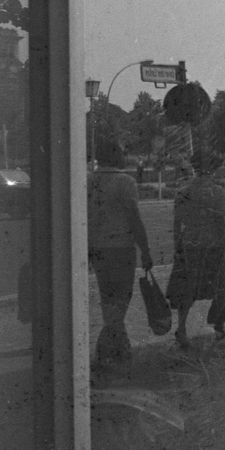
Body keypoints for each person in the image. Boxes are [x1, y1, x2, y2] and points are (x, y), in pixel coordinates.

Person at [88, 139, 153, 367]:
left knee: (108, 298)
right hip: (121, 248)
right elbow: (134, 218)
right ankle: (109, 348)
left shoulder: (88, 181)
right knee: (122, 297)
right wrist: (145, 249)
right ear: (115, 155)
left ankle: (119, 347)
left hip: (96, 248)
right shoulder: (125, 182)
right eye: (123, 152)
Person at [169, 158, 225, 346]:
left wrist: (177, 246)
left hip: (189, 241)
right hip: (213, 242)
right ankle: (219, 327)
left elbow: (176, 223)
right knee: (218, 284)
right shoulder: (218, 192)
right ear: (212, 171)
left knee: (188, 286)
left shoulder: (183, 191)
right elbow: (223, 223)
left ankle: (181, 328)